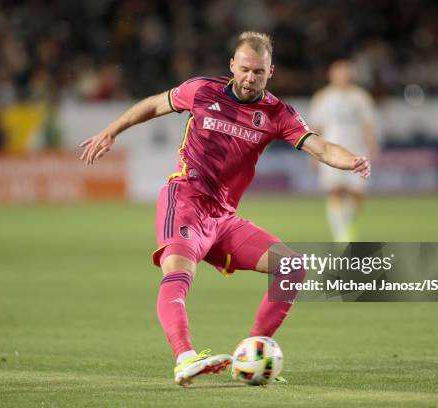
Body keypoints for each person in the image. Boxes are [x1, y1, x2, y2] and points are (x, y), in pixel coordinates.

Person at [80, 32, 371, 386]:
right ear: (232, 65)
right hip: (185, 199)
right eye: (245, 69)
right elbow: (155, 104)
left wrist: (351, 160)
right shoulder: (202, 90)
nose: (250, 78)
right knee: (178, 272)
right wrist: (112, 130)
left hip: (223, 218)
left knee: (292, 267)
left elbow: (321, 148)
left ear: (270, 72)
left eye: (259, 73)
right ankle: (185, 357)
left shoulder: (277, 113)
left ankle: (248, 355)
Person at [309, 60, 379, 242]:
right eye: (338, 73)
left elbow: (368, 125)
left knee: (357, 194)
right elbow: (316, 128)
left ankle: (344, 224)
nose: (342, 76)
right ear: (331, 75)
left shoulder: (360, 97)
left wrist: (372, 147)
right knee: (335, 191)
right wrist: (313, 154)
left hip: (357, 151)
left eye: (345, 72)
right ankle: (341, 235)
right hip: (330, 152)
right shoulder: (323, 97)